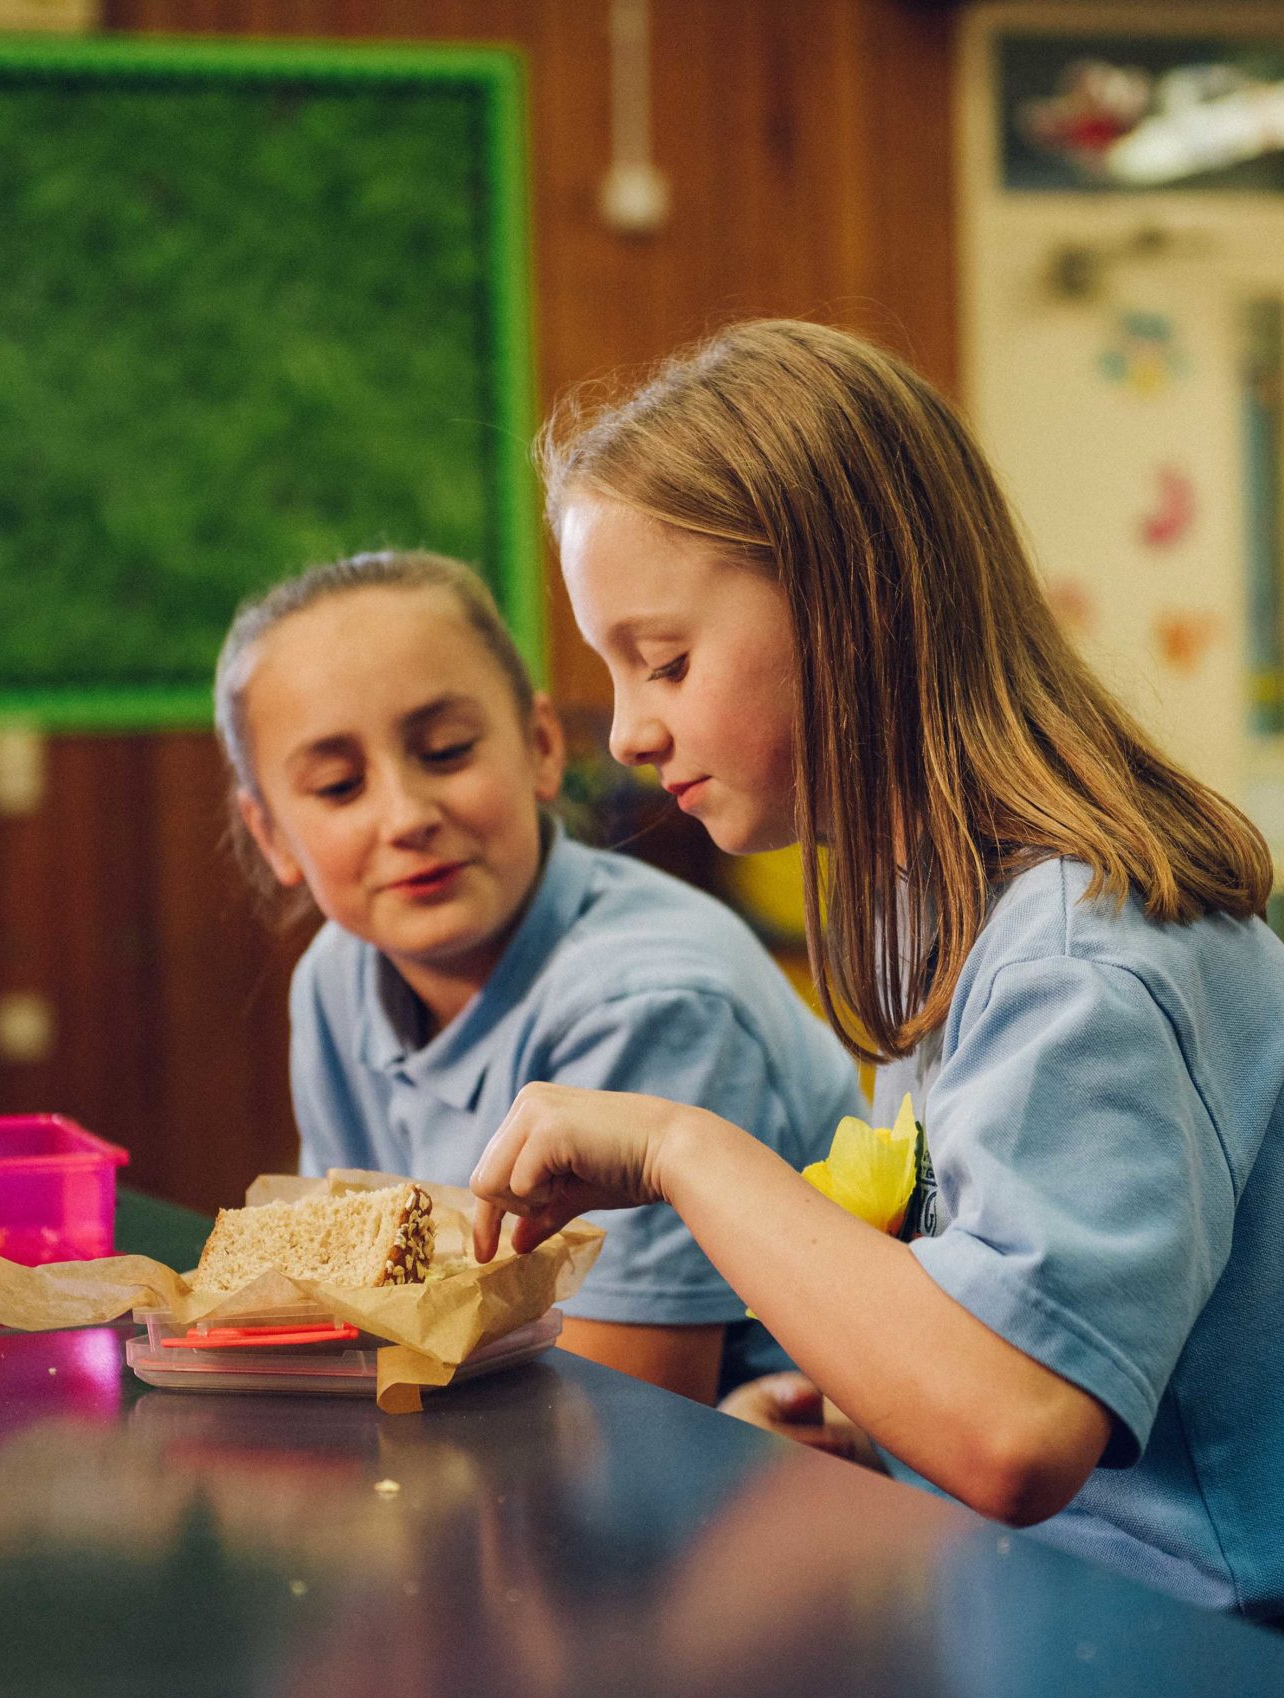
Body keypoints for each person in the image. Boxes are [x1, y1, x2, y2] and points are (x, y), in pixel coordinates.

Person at [467, 322, 1284, 1672]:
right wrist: (875, 1405)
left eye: (668, 661)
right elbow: (995, 1333)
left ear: (853, 607)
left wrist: (682, 1147)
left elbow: (1018, 1433)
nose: (628, 731)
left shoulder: (1084, 961)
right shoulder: (952, 915)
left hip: (1215, 1662)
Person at [213, 548, 861, 1403]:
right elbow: (344, 1317)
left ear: (541, 745)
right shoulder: (337, 980)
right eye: (339, 786)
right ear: (269, 835)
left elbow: (624, 1412)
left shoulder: (653, 1000)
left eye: (445, 751)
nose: (407, 816)